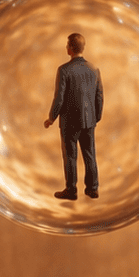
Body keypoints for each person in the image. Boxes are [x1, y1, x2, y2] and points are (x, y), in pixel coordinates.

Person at [44, 32, 104, 200]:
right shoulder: (94, 69)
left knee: (70, 156)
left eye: (67, 45)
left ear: (69, 48)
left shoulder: (64, 70)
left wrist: (51, 117)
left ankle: (71, 190)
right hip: (89, 121)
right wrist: (96, 117)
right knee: (90, 154)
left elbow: (59, 97)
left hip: (69, 122)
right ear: (82, 48)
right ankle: (93, 189)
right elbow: (99, 96)